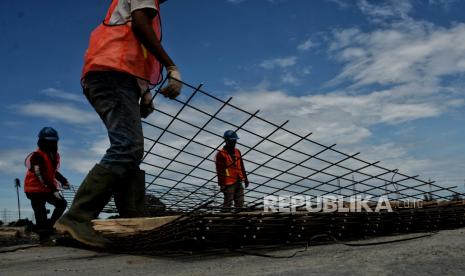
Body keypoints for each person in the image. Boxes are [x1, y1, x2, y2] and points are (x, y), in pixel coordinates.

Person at [55, 0, 182, 248]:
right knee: (128, 145)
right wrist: (171, 66)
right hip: (111, 74)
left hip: (116, 77)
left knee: (131, 149)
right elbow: (139, 26)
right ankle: (77, 217)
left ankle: (131, 222)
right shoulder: (145, 5)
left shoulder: (150, 8)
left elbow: (137, 51)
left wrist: (143, 91)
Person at [24, 127, 70, 244]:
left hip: (46, 188)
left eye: (54, 141)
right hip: (34, 189)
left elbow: (53, 171)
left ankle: (44, 227)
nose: (52, 144)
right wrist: (53, 189)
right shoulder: (37, 156)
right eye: (49, 141)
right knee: (41, 213)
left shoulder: (54, 155)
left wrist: (64, 180)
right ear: (42, 142)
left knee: (61, 203)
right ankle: (44, 239)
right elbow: (40, 174)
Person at [215, 130, 249, 210]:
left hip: (239, 179)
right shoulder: (221, 153)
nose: (234, 143)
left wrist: (245, 178)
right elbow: (219, 170)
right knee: (228, 203)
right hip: (228, 182)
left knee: (240, 202)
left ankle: (239, 219)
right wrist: (221, 184)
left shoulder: (237, 151)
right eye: (232, 141)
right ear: (226, 141)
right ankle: (225, 219)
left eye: (235, 141)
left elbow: (241, 165)